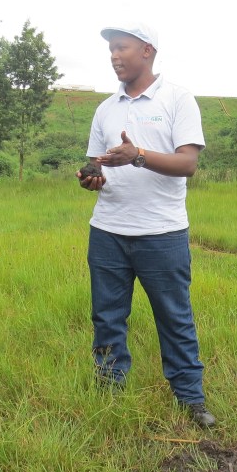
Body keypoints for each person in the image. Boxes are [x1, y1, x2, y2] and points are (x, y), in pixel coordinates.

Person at [77, 22, 215, 428]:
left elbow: (187, 164)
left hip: (162, 233)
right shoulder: (105, 108)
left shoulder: (177, 99)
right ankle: (109, 391)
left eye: (122, 48)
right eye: (111, 51)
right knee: (106, 316)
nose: (115, 56)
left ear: (148, 51)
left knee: (174, 317)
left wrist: (137, 154)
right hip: (107, 229)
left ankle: (190, 398)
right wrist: (89, 178)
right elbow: (95, 162)